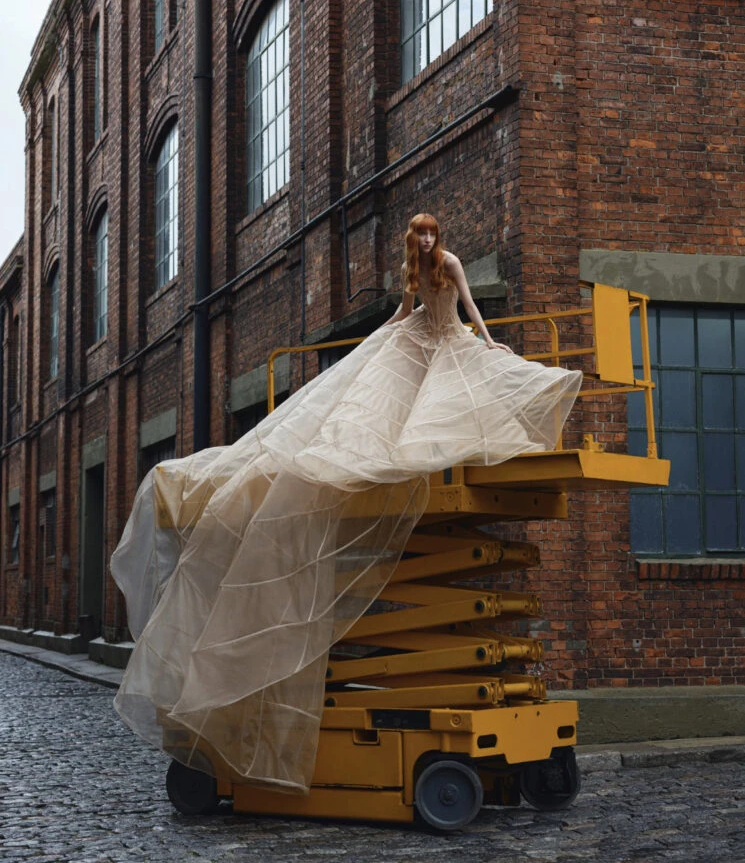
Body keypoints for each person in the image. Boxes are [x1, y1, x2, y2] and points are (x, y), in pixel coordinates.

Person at [111, 212, 582, 794]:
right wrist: (385, 334)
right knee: (375, 411)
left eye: (435, 233)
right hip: (415, 340)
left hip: (451, 343)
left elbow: (466, 308)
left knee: (448, 408)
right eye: (423, 235)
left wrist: (489, 341)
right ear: (415, 239)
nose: (430, 241)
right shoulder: (413, 270)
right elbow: (404, 314)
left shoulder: (453, 266)